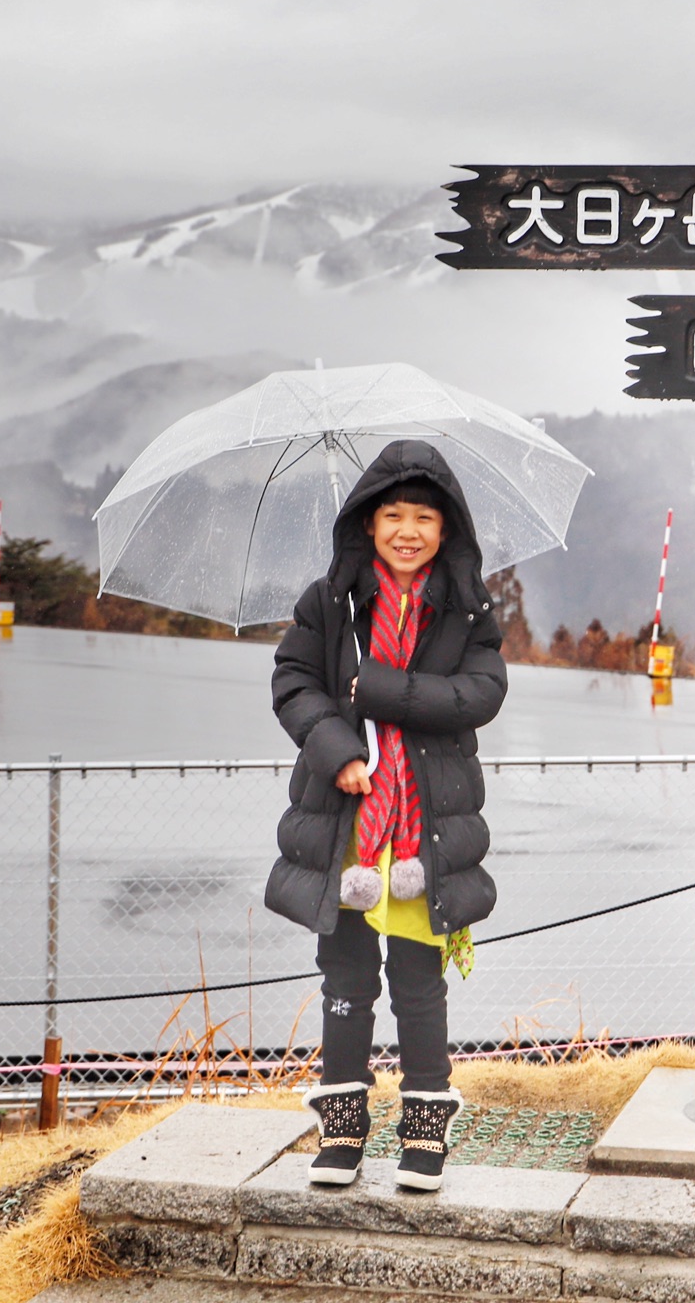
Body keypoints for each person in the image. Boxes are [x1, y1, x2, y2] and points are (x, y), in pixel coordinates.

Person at [266, 439, 506, 1191]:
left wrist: (382, 691)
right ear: (367, 525)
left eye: (424, 517)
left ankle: (424, 1136)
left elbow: (482, 694)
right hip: (344, 823)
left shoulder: (466, 608)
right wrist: (338, 747)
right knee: (345, 979)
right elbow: (293, 680)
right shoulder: (327, 602)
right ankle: (341, 1134)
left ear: (448, 528)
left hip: (424, 828)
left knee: (417, 981)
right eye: (392, 515)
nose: (407, 529)